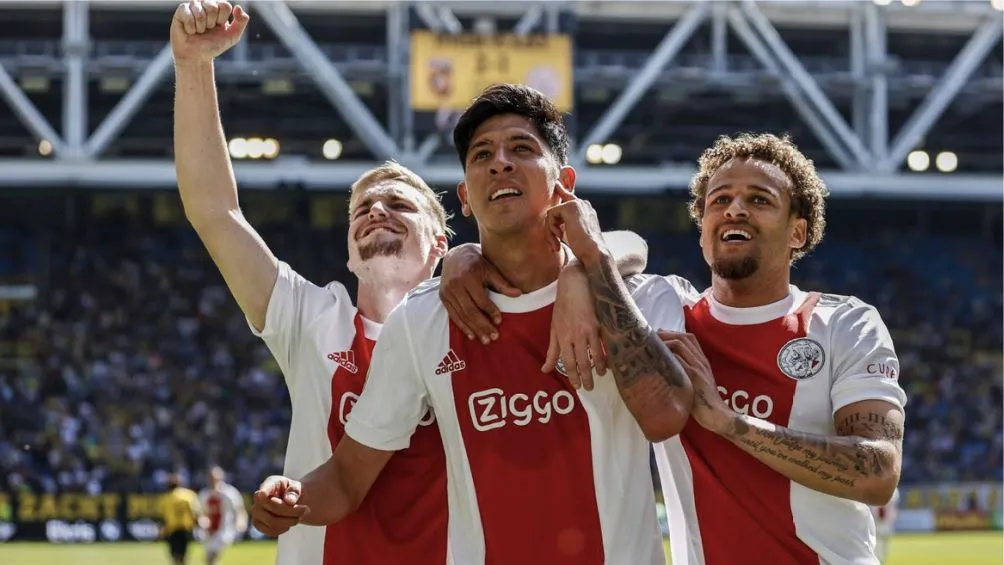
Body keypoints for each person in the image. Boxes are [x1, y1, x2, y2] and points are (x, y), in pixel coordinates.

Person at [170, 4, 628, 564]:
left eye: (399, 204)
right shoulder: (308, 318)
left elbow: (617, 250)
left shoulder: (482, 318)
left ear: (441, 241)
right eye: (362, 208)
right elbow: (215, 212)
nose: (376, 211)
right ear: (347, 251)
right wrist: (193, 66)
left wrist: (583, 268)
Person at [249, 83, 694, 564]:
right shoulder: (422, 321)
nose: (500, 162)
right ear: (465, 196)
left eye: (521, 148)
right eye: (482, 154)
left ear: (564, 181)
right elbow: (346, 479)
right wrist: (293, 497)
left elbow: (666, 414)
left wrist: (588, 270)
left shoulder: (642, 296)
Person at [650, 133, 907, 565]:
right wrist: (578, 287)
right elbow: (592, 256)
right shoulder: (665, 311)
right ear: (702, 233)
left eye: (760, 199)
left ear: (798, 232)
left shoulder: (844, 324)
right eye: (720, 200)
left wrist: (729, 422)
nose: (735, 209)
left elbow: (879, 473)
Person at [198, 466, 248, 565]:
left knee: (211, 557)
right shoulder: (204, 494)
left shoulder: (229, 493)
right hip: (209, 532)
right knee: (210, 560)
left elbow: (240, 510)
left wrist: (241, 523)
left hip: (225, 530)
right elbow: (203, 513)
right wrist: (203, 521)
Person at [160, 473, 201, 565]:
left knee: (175, 556)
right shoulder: (189, 495)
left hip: (172, 529)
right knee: (183, 556)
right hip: (186, 528)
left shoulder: (166, 497)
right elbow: (195, 511)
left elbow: (163, 516)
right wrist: (197, 523)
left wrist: (162, 529)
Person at [872, 487, 900, 563]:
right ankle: (876, 558)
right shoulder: (873, 488)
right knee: (875, 540)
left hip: (887, 520)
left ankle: (882, 559)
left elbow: (893, 504)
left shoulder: (894, 490)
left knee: (885, 541)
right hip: (876, 519)